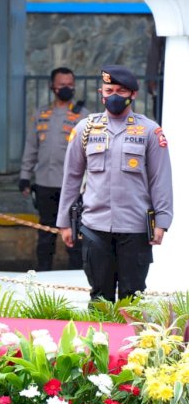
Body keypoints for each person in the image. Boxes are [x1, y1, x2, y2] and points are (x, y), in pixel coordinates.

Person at [57, 65, 173, 302]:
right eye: (109, 90)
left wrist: (162, 222)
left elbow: (160, 179)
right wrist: (64, 222)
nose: (114, 96)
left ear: (133, 94)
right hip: (94, 226)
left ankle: (133, 340)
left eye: (121, 91)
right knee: (100, 297)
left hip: (135, 228)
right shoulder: (85, 129)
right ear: (102, 92)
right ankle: (101, 339)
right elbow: (71, 178)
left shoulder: (150, 131)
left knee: (132, 298)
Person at [19, 67, 89, 271]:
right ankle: (43, 274)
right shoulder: (41, 114)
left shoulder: (84, 117)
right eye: (62, 85)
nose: (66, 89)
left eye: (70, 85)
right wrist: (25, 176)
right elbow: (31, 147)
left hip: (73, 187)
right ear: (52, 87)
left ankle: (77, 277)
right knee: (45, 234)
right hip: (44, 184)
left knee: (75, 235)